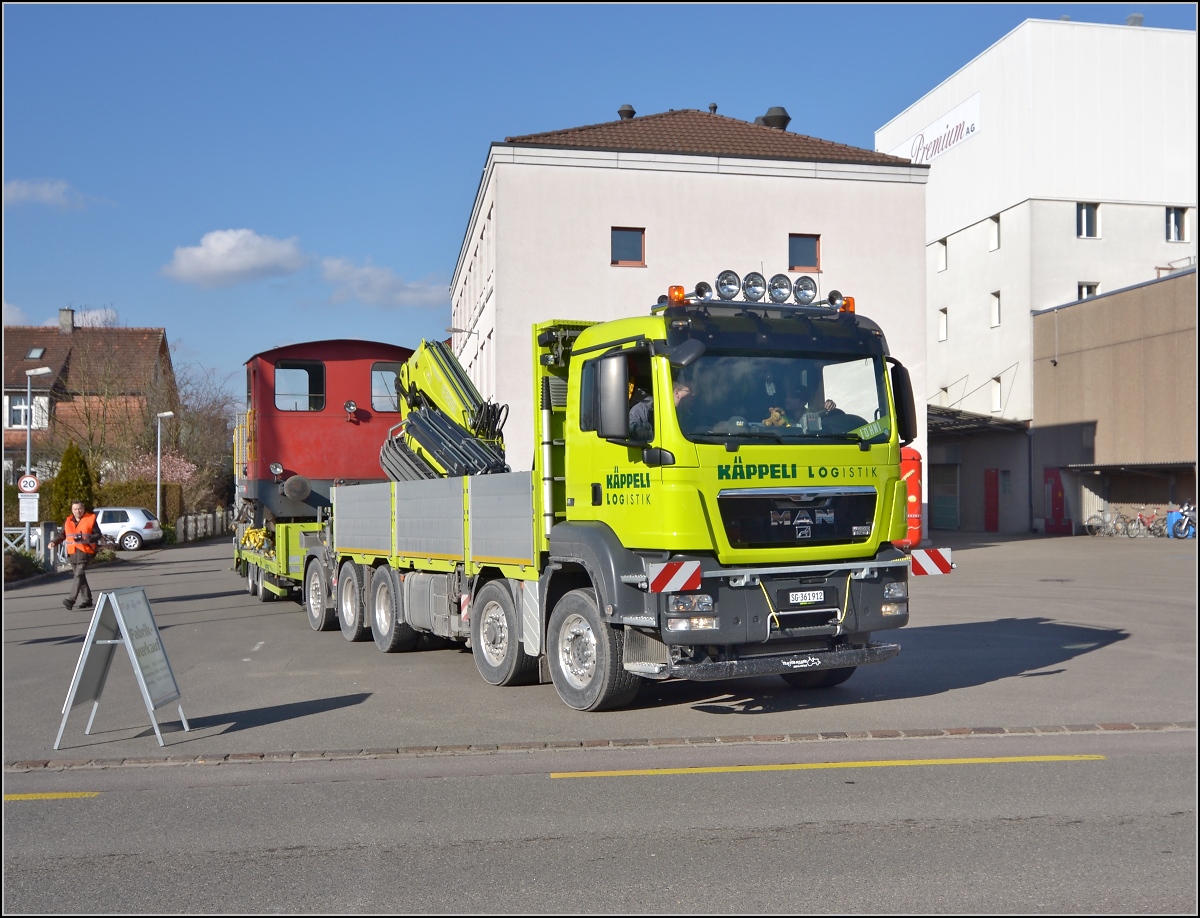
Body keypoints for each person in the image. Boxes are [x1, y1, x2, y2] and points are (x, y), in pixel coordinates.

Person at [49, 500, 100, 610]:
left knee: (78, 575)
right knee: (80, 577)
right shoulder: (68, 520)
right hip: (72, 553)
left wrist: (88, 539)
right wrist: (54, 542)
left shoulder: (90, 518)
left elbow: (98, 534)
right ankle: (87, 600)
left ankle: (71, 600)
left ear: (83, 508)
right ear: (72, 510)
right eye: (75, 509)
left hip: (85, 552)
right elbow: (62, 535)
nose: (78, 511)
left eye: (80, 509)